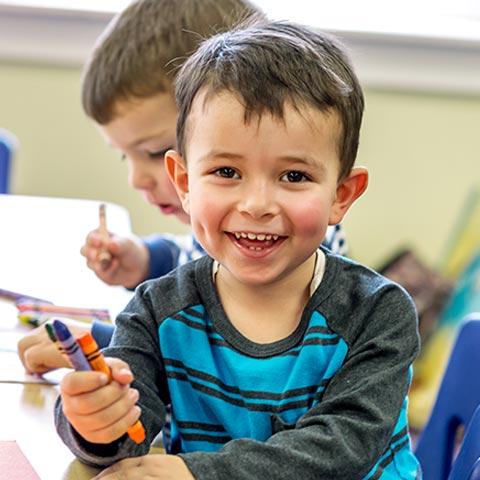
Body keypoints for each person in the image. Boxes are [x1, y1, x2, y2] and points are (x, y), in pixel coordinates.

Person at [54, 19, 421, 479]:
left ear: (341, 195)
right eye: (227, 172)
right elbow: (125, 434)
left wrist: (194, 473)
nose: (257, 205)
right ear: (184, 182)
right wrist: (94, 422)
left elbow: (339, 451)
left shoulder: (377, 313)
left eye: (294, 176)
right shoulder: (157, 310)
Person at [17, 0, 348, 376]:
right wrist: (147, 260)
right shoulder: (247, 226)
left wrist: (106, 343)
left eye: (155, 152)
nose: (137, 180)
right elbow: (206, 269)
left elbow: (245, 358)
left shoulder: (294, 235)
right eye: (127, 157)